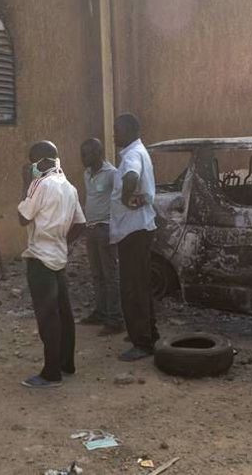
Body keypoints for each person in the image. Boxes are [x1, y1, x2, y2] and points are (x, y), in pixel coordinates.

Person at [17, 141, 86, 388]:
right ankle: (67, 363)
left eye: (32, 161)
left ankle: (51, 372)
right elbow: (80, 224)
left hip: (40, 259)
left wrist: (26, 182)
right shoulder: (69, 187)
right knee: (64, 315)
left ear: (42, 161)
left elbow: (23, 217)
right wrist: (62, 242)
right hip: (58, 257)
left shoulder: (40, 184)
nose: (30, 166)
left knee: (48, 317)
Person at [110, 114, 160, 361]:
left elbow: (131, 176)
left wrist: (124, 197)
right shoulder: (138, 151)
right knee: (140, 286)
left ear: (130, 130)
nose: (113, 135)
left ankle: (142, 343)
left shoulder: (132, 155)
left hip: (133, 231)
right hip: (137, 229)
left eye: (117, 130)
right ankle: (148, 334)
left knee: (132, 289)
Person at [78, 138, 123, 336]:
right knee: (96, 274)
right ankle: (101, 312)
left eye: (85, 153)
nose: (82, 158)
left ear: (97, 153)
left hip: (105, 229)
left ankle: (114, 319)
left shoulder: (112, 174)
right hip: (91, 228)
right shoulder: (87, 173)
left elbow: (121, 201)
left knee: (110, 275)